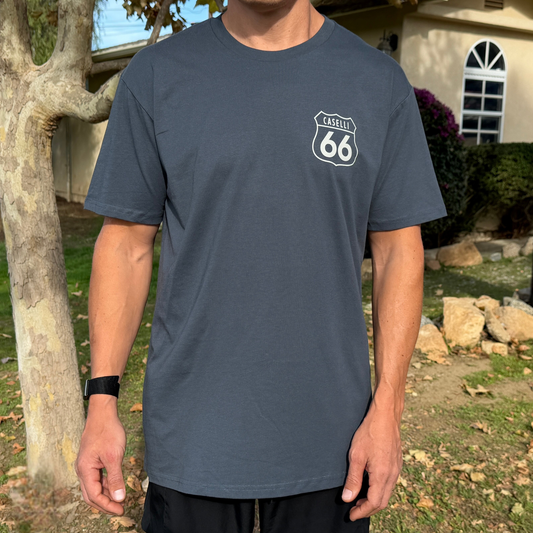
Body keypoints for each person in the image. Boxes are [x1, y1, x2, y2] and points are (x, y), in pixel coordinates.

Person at [74, 0, 448, 530]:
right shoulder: (157, 76)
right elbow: (125, 245)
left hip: (332, 440)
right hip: (193, 436)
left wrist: (388, 408)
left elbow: (397, 252)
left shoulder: (377, 83)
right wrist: (101, 402)